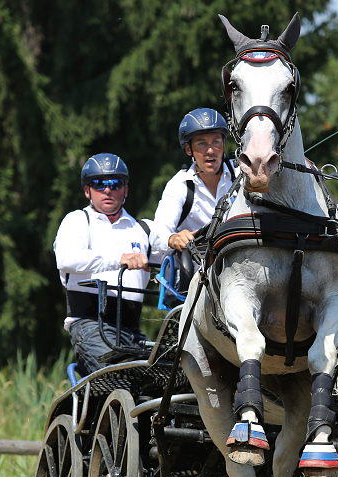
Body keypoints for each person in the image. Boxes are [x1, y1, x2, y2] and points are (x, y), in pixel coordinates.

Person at [54, 153, 167, 376]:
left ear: (125, 190)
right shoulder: (77, 220)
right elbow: (67, 259)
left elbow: (172, 249)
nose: (108, 189)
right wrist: (119, 259)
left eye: (116, 184)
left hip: (131, 329)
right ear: (87, 190)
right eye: (98, 184)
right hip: (89, 323)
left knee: (168, 374)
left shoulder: (142, 228)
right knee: (117, 375)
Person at [153, 108, 238, 251]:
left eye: (216, 142)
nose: (210, 150)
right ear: (188, 149)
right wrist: (173, 238)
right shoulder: (179, 185)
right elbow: (157, 233)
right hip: (197, 266)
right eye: (201, 143)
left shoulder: (242, 173)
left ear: (224, 145)